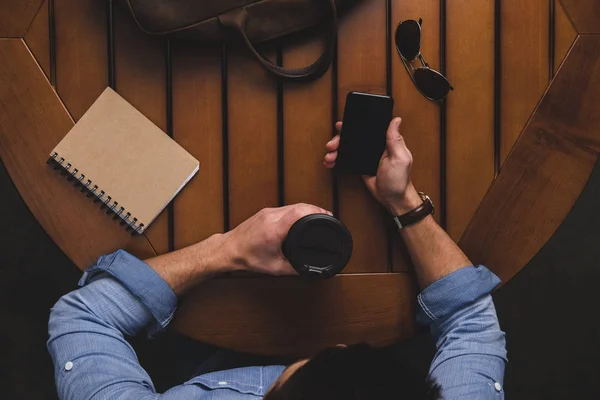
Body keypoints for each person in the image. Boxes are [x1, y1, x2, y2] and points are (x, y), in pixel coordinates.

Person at [48, 118, 507, 399]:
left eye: (327, 359)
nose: (339, 346)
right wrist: (403, 201)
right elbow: (471, 322)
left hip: (195, 339)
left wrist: (229, 248)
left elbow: (84, 319)